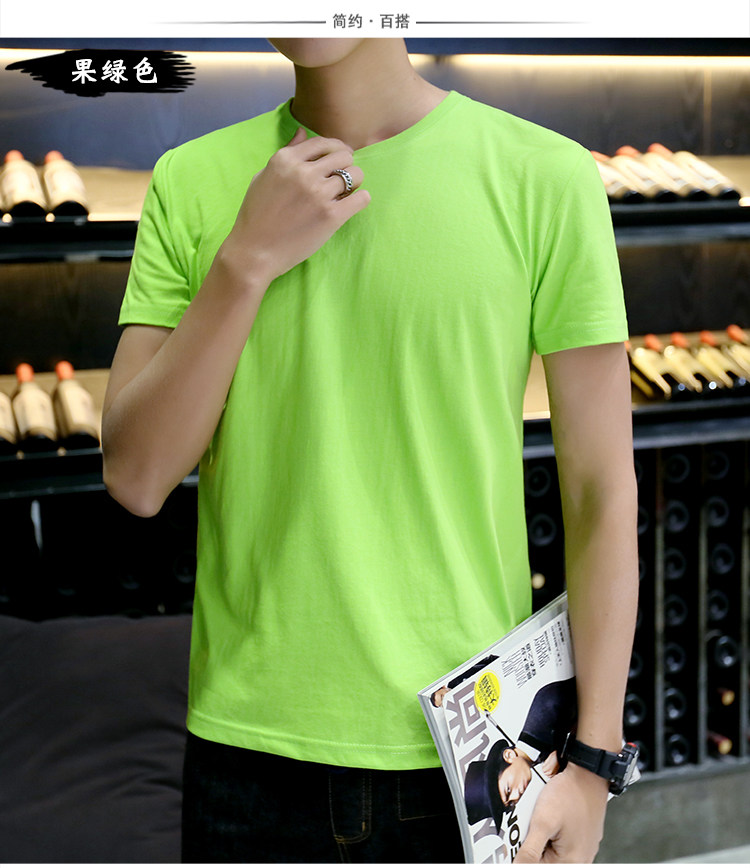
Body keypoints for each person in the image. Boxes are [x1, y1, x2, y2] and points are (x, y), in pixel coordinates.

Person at [101, 38, 639, 863]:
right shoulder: (191, 178)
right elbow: (136, 477)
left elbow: (601, 490)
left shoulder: (543, 175)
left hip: (466, 754)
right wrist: (247, 260)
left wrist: (595, 763)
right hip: (245, 756)